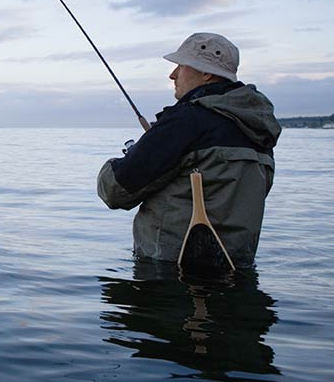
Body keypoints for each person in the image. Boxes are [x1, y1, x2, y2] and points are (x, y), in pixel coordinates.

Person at [97, 32, 281, 268]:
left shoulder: (186, 121)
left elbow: (114, 190)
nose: (172, 75)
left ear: (205, 73)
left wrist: (136, 153)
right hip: (237, 270)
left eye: (181, 66)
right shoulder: (258, 130)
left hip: (170, 276)